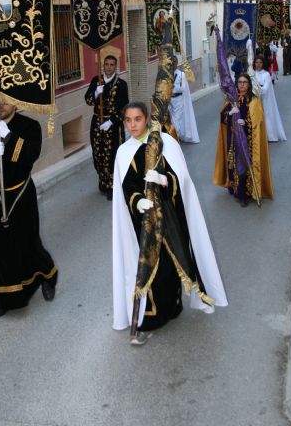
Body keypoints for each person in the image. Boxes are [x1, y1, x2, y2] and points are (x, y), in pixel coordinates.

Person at [112, 102, 228, 345]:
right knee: (149, 269)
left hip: (169, 218)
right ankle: (148, 320)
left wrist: (163, 179)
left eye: (138, 119)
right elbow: (126, 188)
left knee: (171, 264)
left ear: (146, 119)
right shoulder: (123, 152)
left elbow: (180, 180)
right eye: (128, 120)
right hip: (141, 223)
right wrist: (137, 201)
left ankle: (173, 306)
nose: (133, 125)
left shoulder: (165, 143)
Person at [0, 102, 57, 319]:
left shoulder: (30, 126)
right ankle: (5, 299)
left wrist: (8, 138)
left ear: (15, 103)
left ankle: (46, 276)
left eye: (4, 101)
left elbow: (31, 154)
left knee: (27, 242)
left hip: (20, 194)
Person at [213, 73, 274, 206]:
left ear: (249, 84)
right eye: (240, 82)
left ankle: (245, 194)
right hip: (233, 139)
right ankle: (236, 189)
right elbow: (223, 118)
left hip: (248, 140)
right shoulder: (231, 99)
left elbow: (258, 122)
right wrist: (230, 114)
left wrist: (245, 122)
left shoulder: (254, 100)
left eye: (245, 82)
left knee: (244, 165)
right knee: (234, 164)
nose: (242, 84)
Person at [84, 55, 129, 200]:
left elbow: (124, 107)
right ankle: (103, 182)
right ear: (103, 65)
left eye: (112, 65)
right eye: (106, 64)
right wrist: (96, 93)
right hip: (97, 123)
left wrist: (112, 122)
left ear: (115, 66)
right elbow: (88, 101)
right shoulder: (96, 81)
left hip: (113, 125)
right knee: (99, 153)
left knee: (112, 154)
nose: (109, 67)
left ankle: (113, 187)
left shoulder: (121, 84)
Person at [253, 56, 286, 142]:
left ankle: (270, 136)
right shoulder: (252, 74)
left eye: (260, 62)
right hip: (254, 99)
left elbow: (265, 89)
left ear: (263, 64)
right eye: (257, 62)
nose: (258, 64)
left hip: (265, 100)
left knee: (266, 116)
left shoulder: (266, 74)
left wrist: (256, 88)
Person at [169, 56, 200, 143]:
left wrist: (174, 86)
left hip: (178, 99)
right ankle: (174, 136)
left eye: (174, 62)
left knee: (176, 120)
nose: (173, 64)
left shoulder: (181, 74)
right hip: (170, 100)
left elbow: (183, 88)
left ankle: (176, 138)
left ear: (177, 63)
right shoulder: (168, 74)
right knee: (171, 120)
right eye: (171, 62)